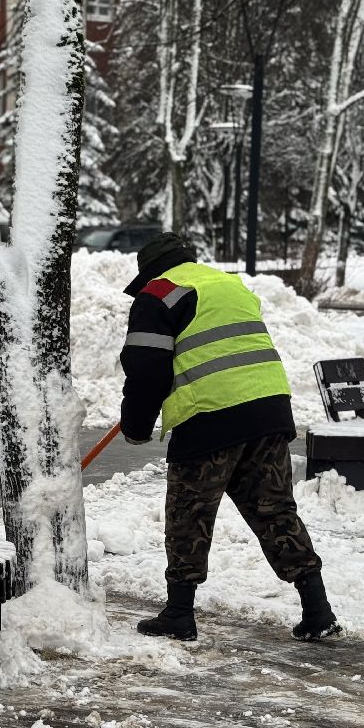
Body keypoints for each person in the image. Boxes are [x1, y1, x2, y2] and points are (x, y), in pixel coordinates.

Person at [118, 232, 339, 643]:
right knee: (275, 510)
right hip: (268, 411)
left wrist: (134, 426)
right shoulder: (228, 284)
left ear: (149, 271)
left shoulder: (158, 293)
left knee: (189, 516)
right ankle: (317, 608)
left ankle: (179, 614)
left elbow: (147, 371)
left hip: (210, 417)